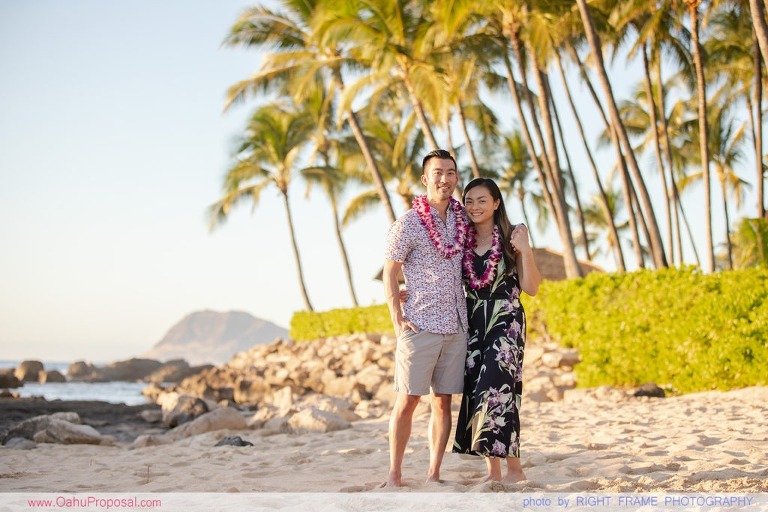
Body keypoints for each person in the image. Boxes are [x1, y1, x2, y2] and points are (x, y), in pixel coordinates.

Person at [382, 149, 469, 487]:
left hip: (457, 324)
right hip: (420, 324)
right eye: (437, 172)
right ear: (425, 178)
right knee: (407, 401)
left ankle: (434, 474)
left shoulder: (463, 221)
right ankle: (394, 475)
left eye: (450, 172)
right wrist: (397, 318)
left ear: (456, 177)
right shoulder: (408, 222)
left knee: (444, 403)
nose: (444, 178)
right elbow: (391, 270)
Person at [452, 177, 542, 483]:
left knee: (499, 388)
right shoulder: (460, 241)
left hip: (506, 319)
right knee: (480, 392)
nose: (474, 207)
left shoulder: (512, 237)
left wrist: (526, 250)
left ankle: (515, 469)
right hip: (473, 321)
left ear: (496, 203)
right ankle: (494, 472)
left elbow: (530, 288)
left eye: (481, 200)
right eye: (469, 201)